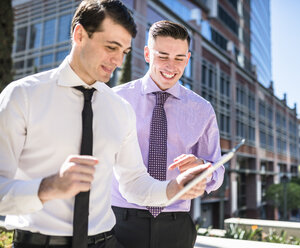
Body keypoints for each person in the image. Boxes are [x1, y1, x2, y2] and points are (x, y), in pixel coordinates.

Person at [0, 2, 210, 248]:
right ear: (79, 35)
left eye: (124, 52)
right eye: (111, 47)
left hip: (106, 242)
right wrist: (48, 187)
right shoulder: (23, 96)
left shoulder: (119, 108)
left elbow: (133, 183)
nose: (118, 61)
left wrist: (174, 188)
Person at [112, 20, 224, 248]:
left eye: (179, 58)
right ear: (146, 54)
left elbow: (218, 170)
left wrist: (202, 167)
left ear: (188, 59)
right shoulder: (116, 100)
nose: (171, 66)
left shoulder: (202, 109)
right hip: (119, 221)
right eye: (162, 56)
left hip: (176, 225)